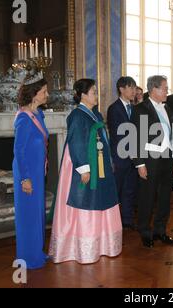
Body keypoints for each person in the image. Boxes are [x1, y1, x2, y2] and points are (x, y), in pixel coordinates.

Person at [49, 79, 122, 264]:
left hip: (100, 164)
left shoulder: (95, 114)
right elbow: (77, 142)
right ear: (82, 95)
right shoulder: (77, 116)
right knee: (85, 199)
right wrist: (83, 168)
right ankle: (81, 248)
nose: (97, 95)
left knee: (101, 199)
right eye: (94, 92)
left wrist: (108, 160)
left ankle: (103, 244)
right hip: (84, 165)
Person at [131, 75, 173, 248]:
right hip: (149, 161)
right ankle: (145, 232)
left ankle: (160, 231)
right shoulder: (140, 109)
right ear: (153, 89)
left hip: (167, 159)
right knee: (147, 197)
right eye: (165, 88)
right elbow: (134, 139)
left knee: (165, 198)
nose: (168, 91)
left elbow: (172, 136)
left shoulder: (168, 108)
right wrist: (140, 164)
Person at [13, 73, 50, 270]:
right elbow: (18, 151)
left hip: (37, 171)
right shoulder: (24, 119)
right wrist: (25, 178)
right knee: (28, 215)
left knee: (38, 214)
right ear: (34, 94)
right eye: (44, 91)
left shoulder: (39, 114)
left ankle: (38, 252)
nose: (47, 94)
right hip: (26, 173)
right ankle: (28, 257)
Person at [107, 76, 138, 230]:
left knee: (130, 190)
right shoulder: (114, 109)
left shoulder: (134, 108)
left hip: (133, 158)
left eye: (134, 88)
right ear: (122, 89)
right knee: (116, 191)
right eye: (131, 88)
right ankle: (112, 223)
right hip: (120, 156)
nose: (134, 91)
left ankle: (127, 220)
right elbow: (119, 134)